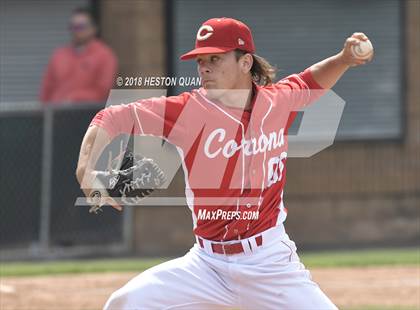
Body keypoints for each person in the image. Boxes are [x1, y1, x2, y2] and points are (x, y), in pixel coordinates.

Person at [76, 17, 373, 309]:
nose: (204, 67)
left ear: (245, 63)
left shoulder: (277, 103)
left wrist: (345, 58)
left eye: (215, 59)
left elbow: (312, 79)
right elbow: (113, 116)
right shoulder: (189, 111)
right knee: (123, 303)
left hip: (269, 263)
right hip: (206, 265)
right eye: (200, 60)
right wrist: (86, 167)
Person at [40, 7, 117, 105]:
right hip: (57, 114)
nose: (75, 31)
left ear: (94, 29)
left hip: (87, 114)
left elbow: (103, 90)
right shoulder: (59, 55)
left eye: (80, 27)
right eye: (72, 27)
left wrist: (75, 98)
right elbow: (47, 88)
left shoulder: (104, 56)